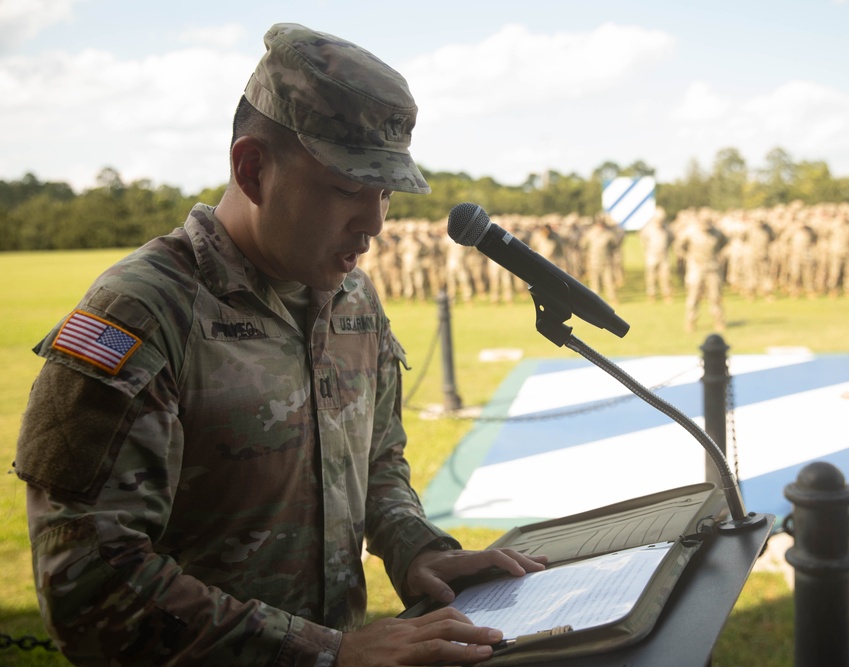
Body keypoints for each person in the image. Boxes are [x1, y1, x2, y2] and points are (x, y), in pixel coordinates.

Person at [14, 23, 545, 666]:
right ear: (253, 168)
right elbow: (88, 582)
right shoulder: (143, 315)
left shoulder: (353, 300)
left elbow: (377, 462)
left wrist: (417, 547)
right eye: (348, 188)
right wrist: (327, 655)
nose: (375, 223)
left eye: (384, 193)